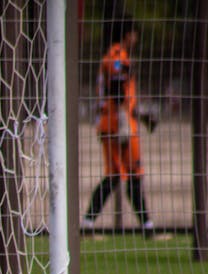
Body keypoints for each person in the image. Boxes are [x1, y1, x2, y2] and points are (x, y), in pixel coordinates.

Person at [81, 15, 158, 236]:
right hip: (117, 125)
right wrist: (126, 118)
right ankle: (146, 227)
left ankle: (145, 226)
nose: (136, 38)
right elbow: (117, 88)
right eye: (134, 34)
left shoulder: (117, 56)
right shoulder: (117, 58)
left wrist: (139, 114)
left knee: (122, 175)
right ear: (127, 34)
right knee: (126, 173)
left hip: (116, 122)